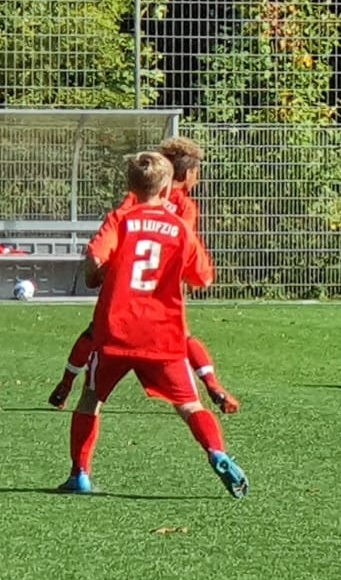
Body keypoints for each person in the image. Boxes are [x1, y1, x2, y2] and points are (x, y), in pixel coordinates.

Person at [59, 152, 248, 498]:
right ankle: (217, 452)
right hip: (163, 335)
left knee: (91, 399)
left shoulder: (121, 219)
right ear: (165, 188)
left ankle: (80, 474)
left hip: (116, 331)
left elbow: (95, 258)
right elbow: (203, 278)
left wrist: (98, 275)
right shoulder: (180, 227)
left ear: (131, 186)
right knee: (190, 405)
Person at [47, 138, 238, 415]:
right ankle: (212, 386)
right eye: (197, 172)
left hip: (126, 281)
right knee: (182, 336)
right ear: (187, 173)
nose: (198, 178)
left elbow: (124, 222)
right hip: (162, 286)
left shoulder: (138, 195)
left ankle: (66, 384)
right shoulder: (185, 206)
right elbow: (181, 242)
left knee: (94, 333)